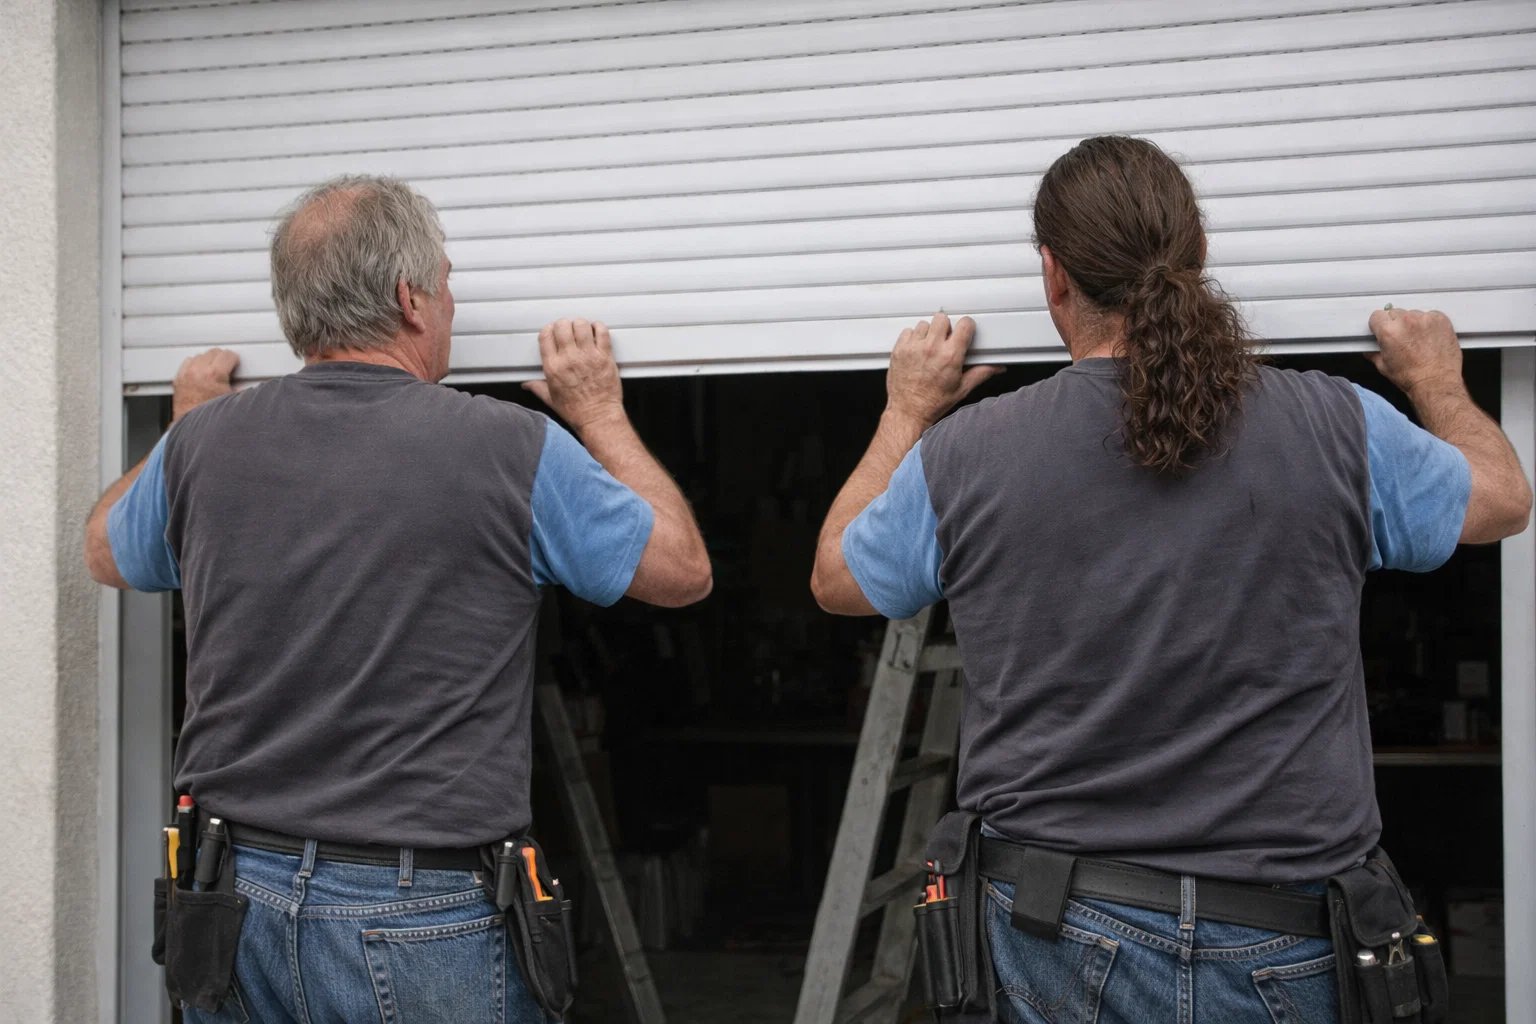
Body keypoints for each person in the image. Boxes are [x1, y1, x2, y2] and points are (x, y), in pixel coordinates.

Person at [810, 136, 1530, 1022]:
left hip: (1055, 931)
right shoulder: (1337, 426)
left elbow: (838, 577)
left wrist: (905, 411)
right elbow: (1502, 500)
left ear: (1053, 276)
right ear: (1198, 257)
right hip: (1289, 935)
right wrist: (1439, 383)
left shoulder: (968, 455)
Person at [85, 175, 711, 1023]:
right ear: (411, 299)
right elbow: (681, 570)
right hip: (421, 918)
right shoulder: (508, 447)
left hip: (234, 903)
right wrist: (597, 413)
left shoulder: (204, 443)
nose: (452, 303)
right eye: (447, 284)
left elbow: (104, 548)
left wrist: (183, 423)